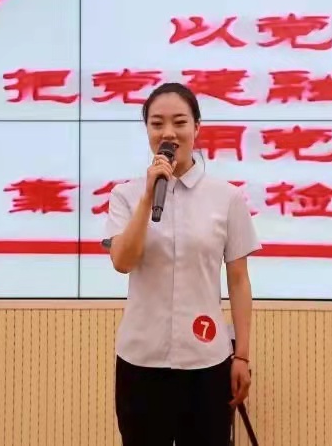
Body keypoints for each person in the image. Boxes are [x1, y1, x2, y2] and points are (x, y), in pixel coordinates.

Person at [104, 82, 261, 446]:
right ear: (147, 130)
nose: (168, 133)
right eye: (157, 123)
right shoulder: (125, 195)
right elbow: (122, 261)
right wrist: (147, 197)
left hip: (205, 362)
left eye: (179, 122)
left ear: (197, 127)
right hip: (141, 361)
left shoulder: (226, 197)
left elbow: (239, 280)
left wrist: (241, 356)